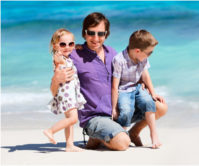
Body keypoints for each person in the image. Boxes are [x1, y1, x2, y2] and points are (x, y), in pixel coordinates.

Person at [50, 12, 168, 151]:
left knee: (159, 107)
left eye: (100, 34)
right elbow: (57, 92)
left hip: (117, 111)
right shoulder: (73, 55)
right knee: (122, 143)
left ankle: (133, 132)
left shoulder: (112, 53)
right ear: (84, 33)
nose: (96, 38)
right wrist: (57, 79)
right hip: (94, 117)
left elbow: (127, 74)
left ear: (106, 34)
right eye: (91, 33)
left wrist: (140, 83)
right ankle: (98, 136)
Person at [112, 30, 163, 149]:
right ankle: (121, 136)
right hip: (123, 90)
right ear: (137, 51)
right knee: (126, 111)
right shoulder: (119, 60)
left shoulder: (142, 58)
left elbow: (145, 76)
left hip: (137, 87)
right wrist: (114, 108)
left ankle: (153, 134)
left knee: (149, 102)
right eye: (149, 53)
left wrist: (153, 93)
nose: (150, 55)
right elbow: (115, 86)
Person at [43, 28, 86, 152]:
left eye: (70, 44)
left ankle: (69, 145)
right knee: (73, 119)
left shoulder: (65, 55)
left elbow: (68, 49)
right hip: (66, 94)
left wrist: (76, 47)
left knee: (69, 121)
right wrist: (59, 63)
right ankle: (51, 130)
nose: (67, 47)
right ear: (55, 45)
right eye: (63, 44)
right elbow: (58, 69)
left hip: (70, 92)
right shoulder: (59, 58)